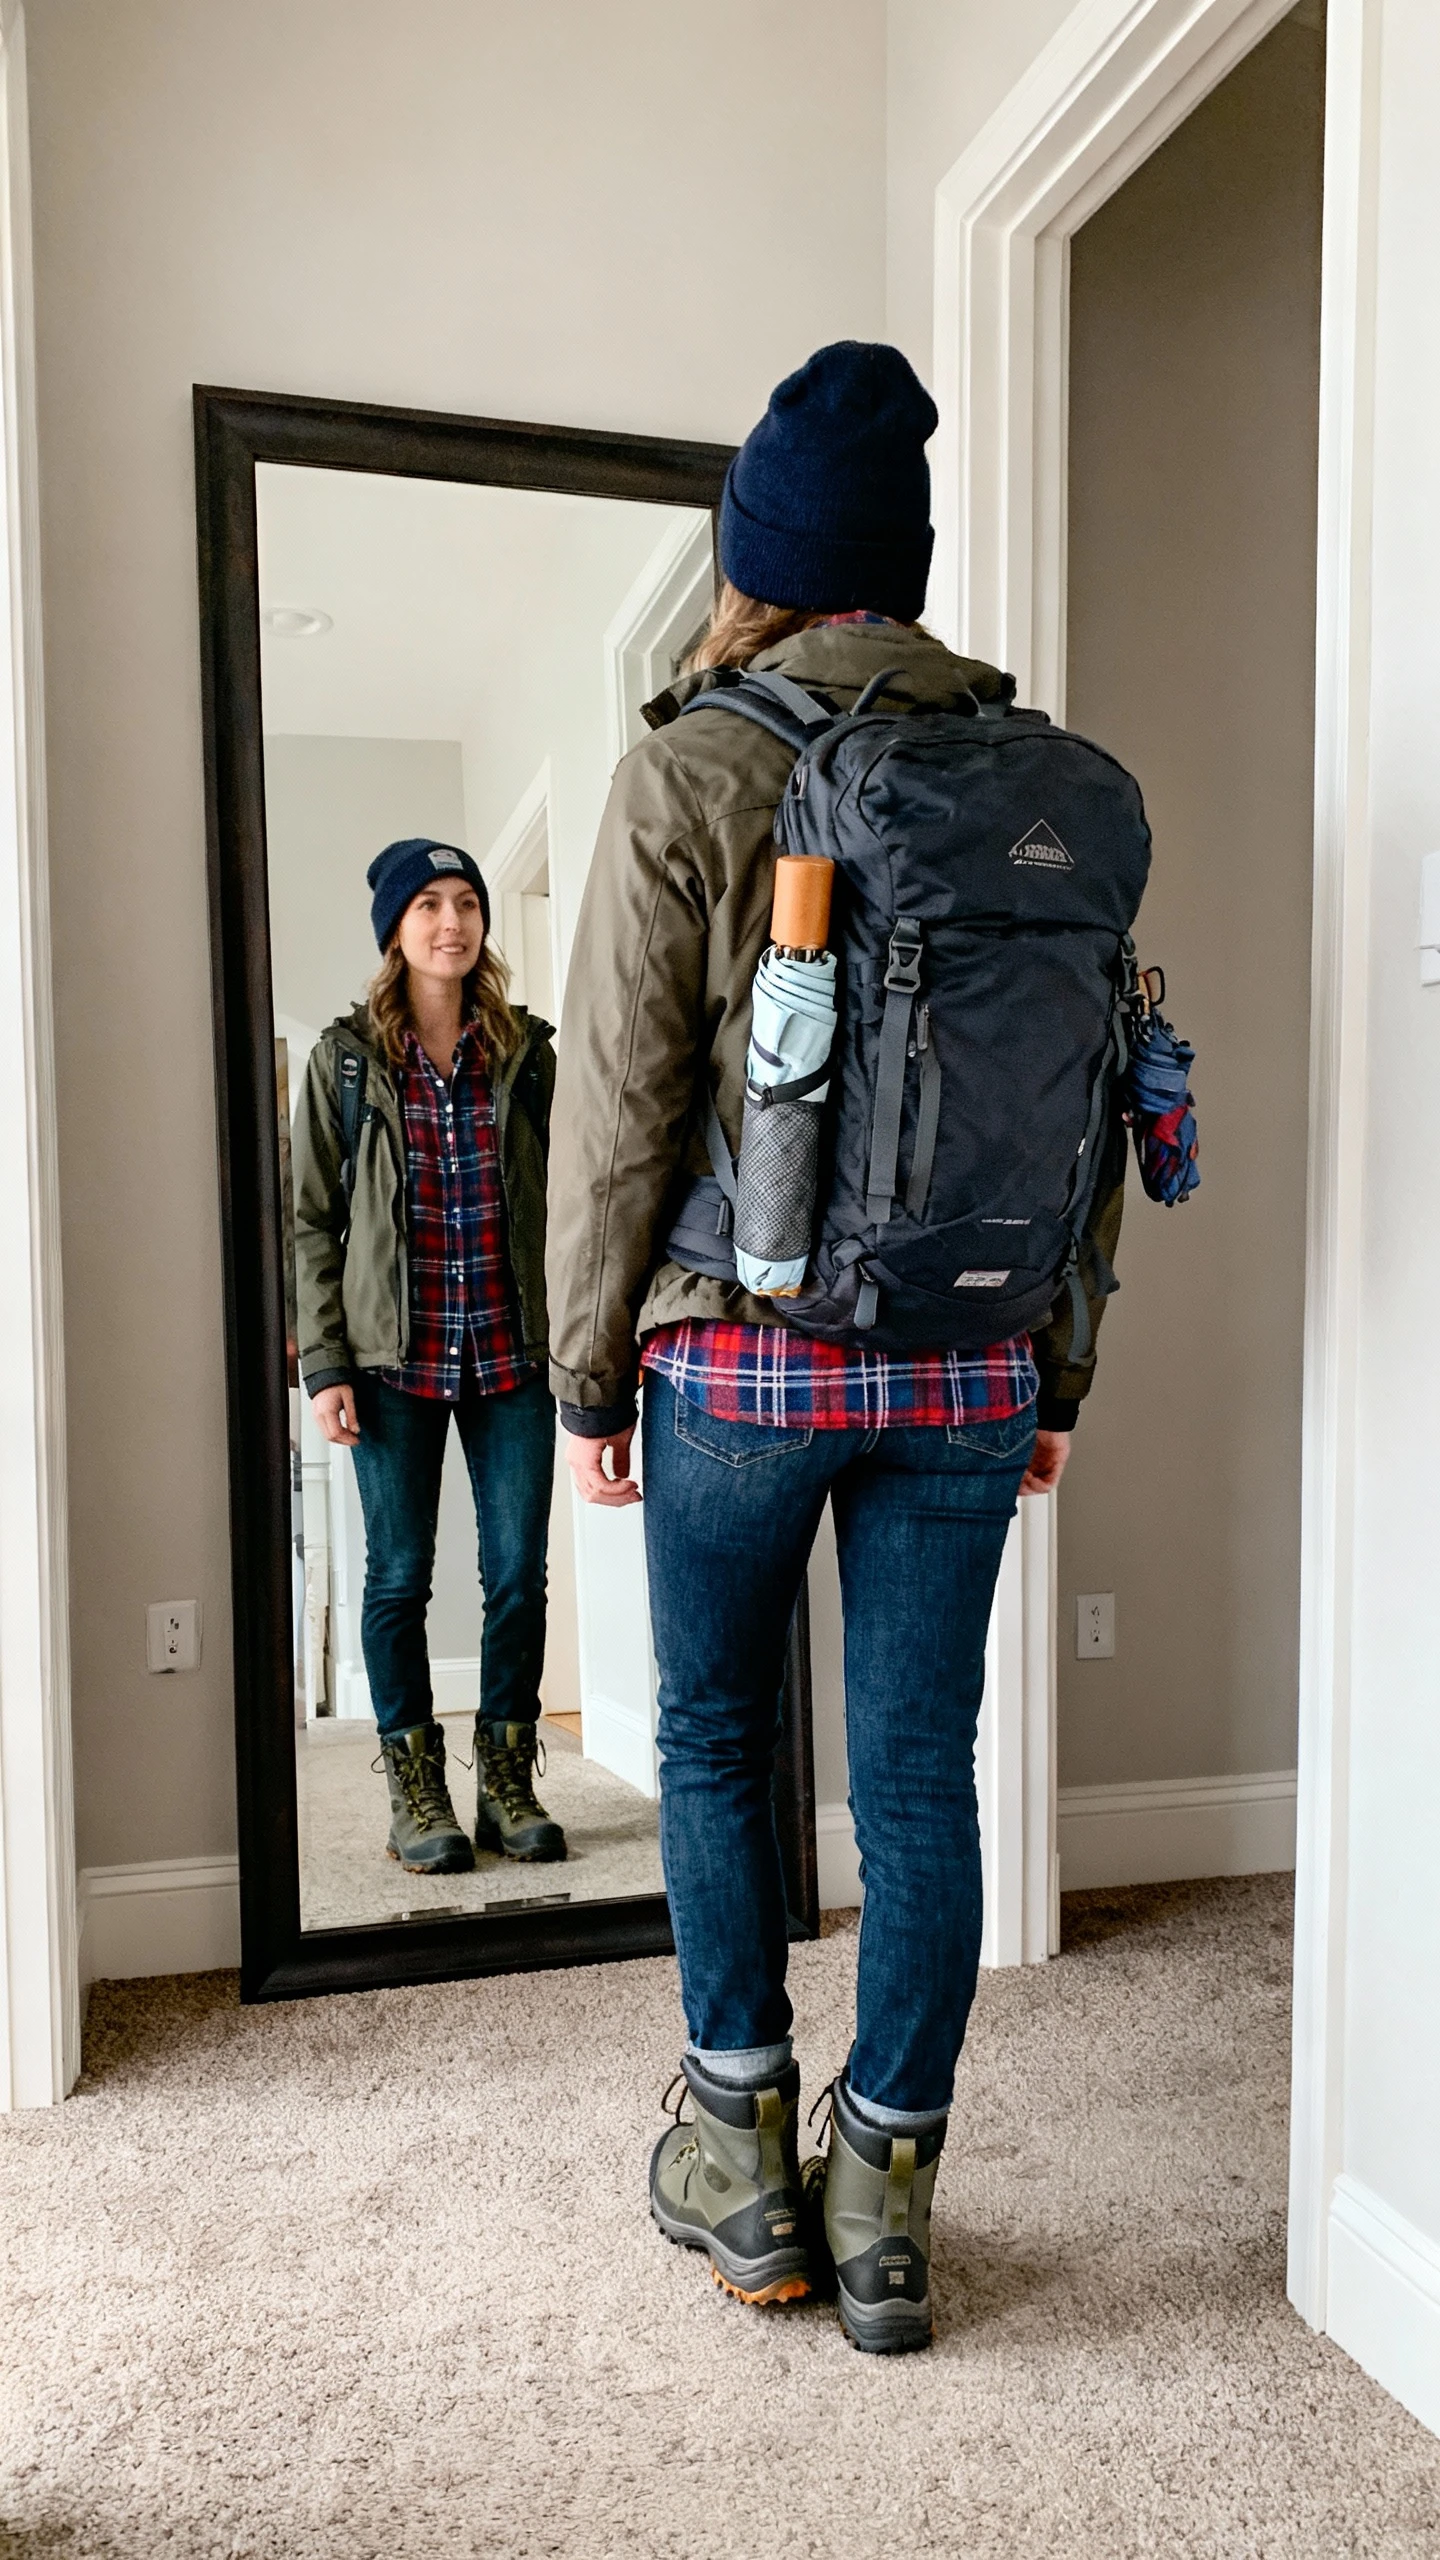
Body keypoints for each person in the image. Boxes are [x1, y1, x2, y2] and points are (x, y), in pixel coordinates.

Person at [546, 344, 1126, 2353]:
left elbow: (617, 1103)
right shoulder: (1044, 775)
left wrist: (589, 1375)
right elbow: (1098, 1091)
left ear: (760, 562)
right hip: (969, 1363)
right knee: (921, 1767)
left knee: (713, 1738)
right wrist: (1050, 1366)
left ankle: (737, 2150)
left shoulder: (696, 762)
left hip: (747, 1362)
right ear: (906, 563)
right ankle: (887, 2200)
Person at [292, 837, 563, 1875]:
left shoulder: (528, 1055)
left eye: (466, 903)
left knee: (517, 1580)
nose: (451, 923)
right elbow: (311, 1222)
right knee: (398, 1578)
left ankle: (505, 1778)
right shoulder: (347, 1063)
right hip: (389, 1365)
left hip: (514, 1358)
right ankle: (416, 1787)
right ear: (396, 929)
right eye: (429, 905)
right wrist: (325, 1365)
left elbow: (574, 1202)